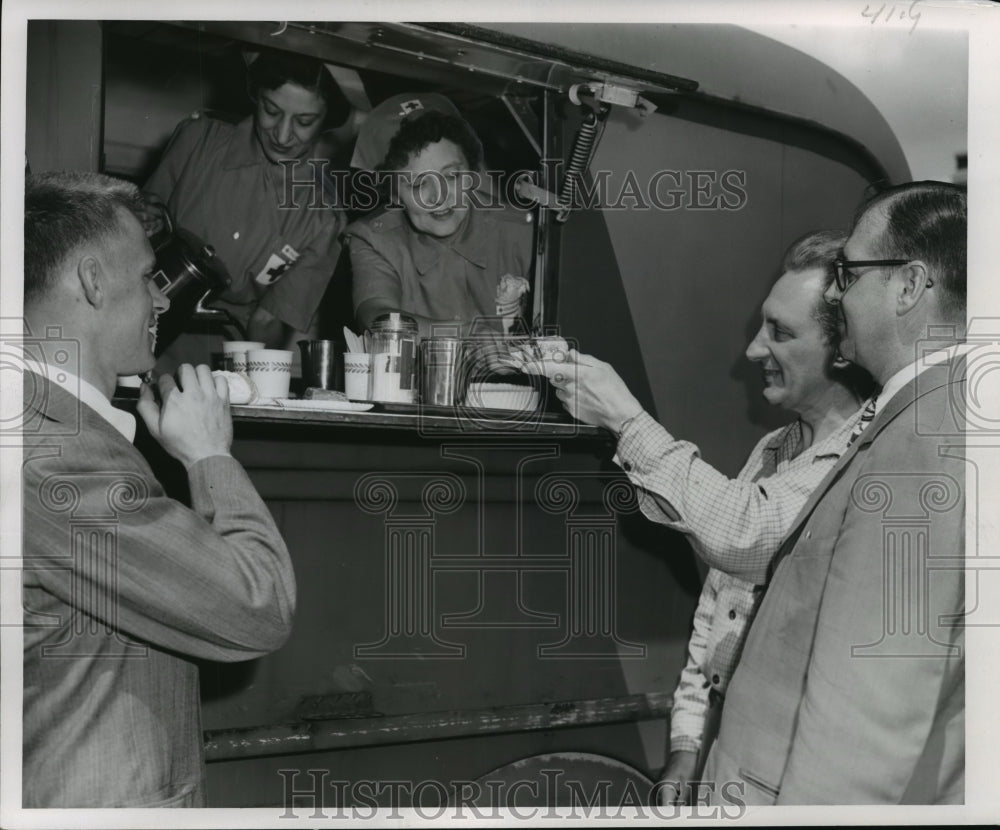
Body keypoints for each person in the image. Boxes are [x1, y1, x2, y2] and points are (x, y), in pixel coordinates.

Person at [512, 230, 874, 804]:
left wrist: (627, 419)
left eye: (779, 332)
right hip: (734, 761)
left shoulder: (867, 454)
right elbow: (718, 609)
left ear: (844, 348)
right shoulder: (777, 450)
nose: (753, 350)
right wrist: (685, 748)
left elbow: (741, 536)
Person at [21, 171, 296, 807]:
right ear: (93, 281)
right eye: (150, 276)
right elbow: (259, 608)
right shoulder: (64, 461)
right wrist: (207, 454)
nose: (163, 300)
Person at [703, 181, 967, 804]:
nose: (838, 295)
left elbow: (866, 713)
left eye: (848, 272)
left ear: (907, 286)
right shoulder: (926, 418)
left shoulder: (925, 443)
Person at [140, 48, 351, 367]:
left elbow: (268, 322)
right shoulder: (199, 141)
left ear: (326, 123)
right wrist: (140, 218)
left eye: (304, 121)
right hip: (140, 331)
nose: (282, 134)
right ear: (256, 97)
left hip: (224, 364)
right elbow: (138, 228)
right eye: (271, 110)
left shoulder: (325, 218)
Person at [345, 105, 535, 340]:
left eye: (452, 176)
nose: (439, 196)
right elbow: (377, 320)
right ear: (393, 194)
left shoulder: (525, 231)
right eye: (418, 184)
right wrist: (463, 335)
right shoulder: (374, 239)